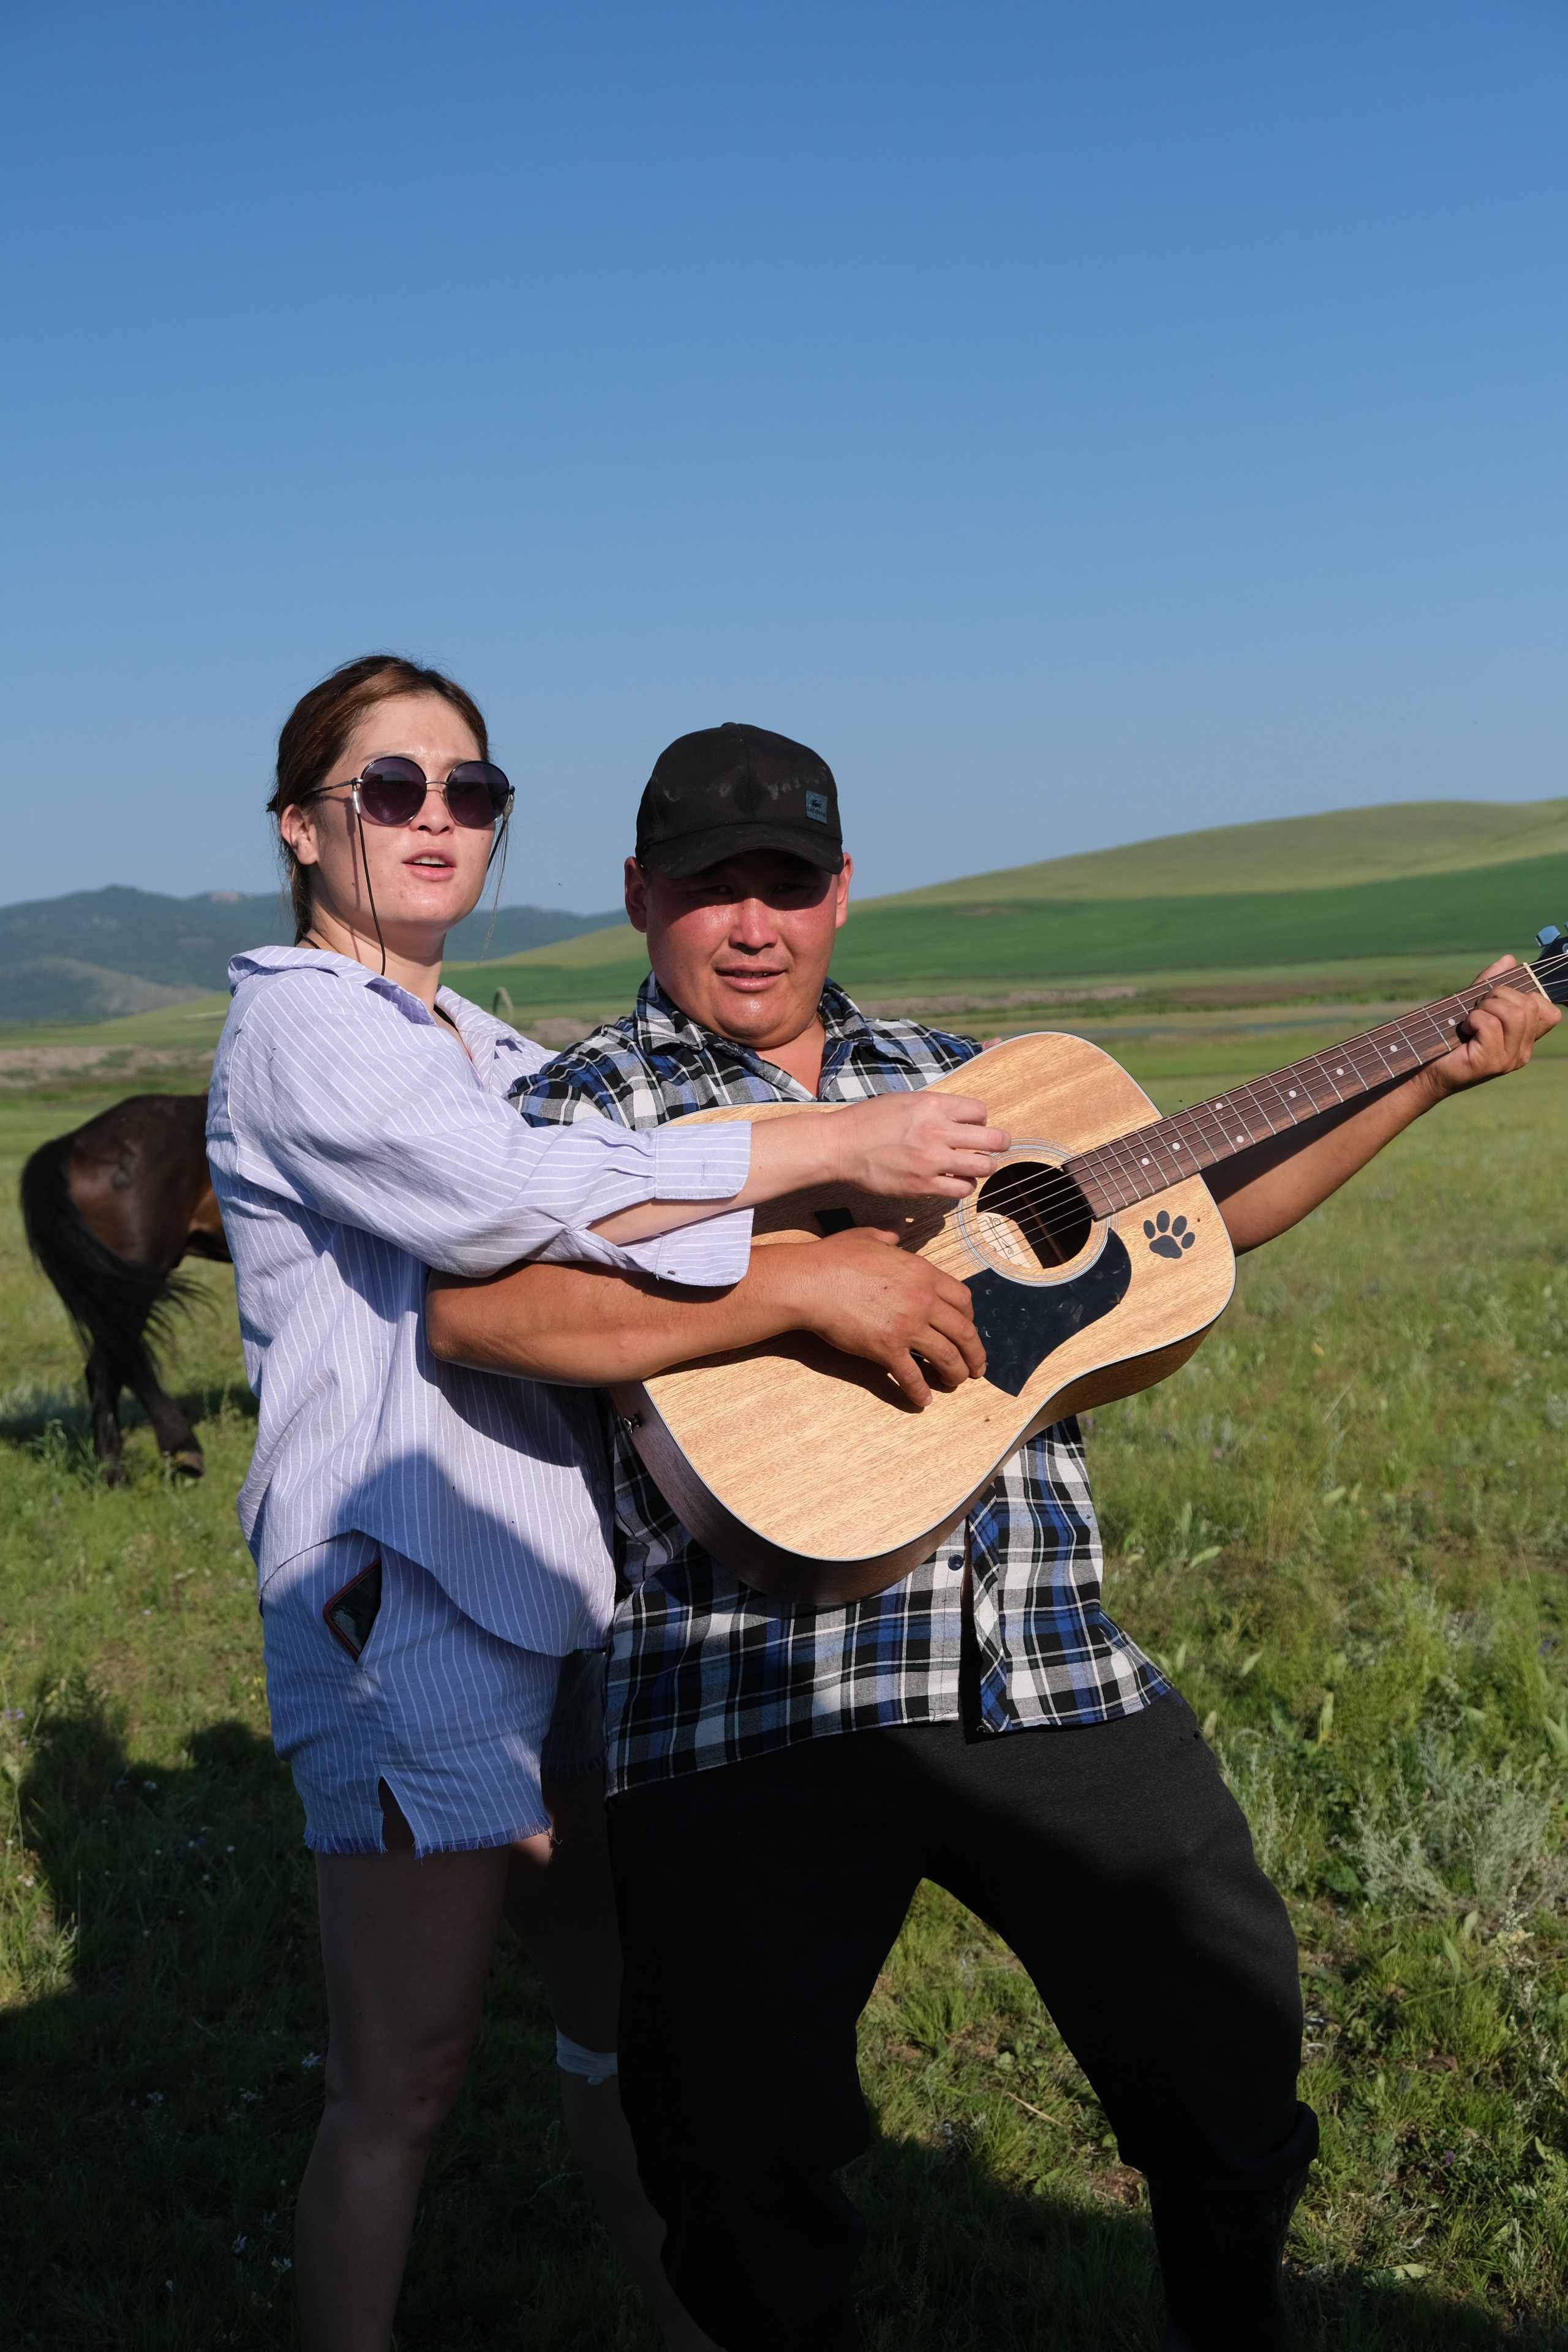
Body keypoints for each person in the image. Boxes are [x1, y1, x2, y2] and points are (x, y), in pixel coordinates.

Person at [426, 722, 1558, 2352]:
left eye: (789, 886)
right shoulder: (582, 1104)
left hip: (1043, 1665)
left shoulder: (984, 1081)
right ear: (637, 895)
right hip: (748, 1693)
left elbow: (1201, 1212)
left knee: (1232, 2085)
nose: (754, 924)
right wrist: (806, 1278)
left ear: (841, 894)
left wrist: (1432, 1072)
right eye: (708, 887)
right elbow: (485, 1305)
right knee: (742, 2180)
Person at [209, 670, 1012, 2352]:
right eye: (390, 787)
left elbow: (621, 1194)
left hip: (558, 1588)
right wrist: (823, 1162)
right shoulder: (304, 1023)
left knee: (611, 2035)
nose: (438, 820)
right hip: (407, 1592)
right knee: (404, 2082)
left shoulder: (472, 1040)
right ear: (303, 825)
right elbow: (509, 1206)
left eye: (471, 792)